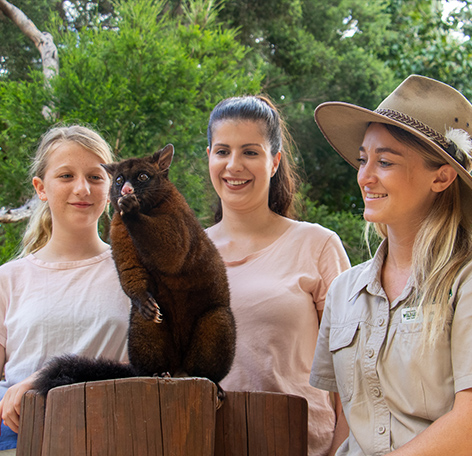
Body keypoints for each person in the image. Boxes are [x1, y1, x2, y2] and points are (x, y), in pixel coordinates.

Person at [310, 74, 472, 455]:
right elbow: (349, 419)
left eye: (385, 161)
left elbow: (468, 424)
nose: (364, 176)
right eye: (363, 159)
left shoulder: (464, 282)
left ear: (442, 176)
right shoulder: (343, 292)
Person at [206, 95, 351, 456]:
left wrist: (340, 451)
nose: (233, 165)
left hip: (303, 446)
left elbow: (355, 369)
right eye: (222, 151)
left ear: (274, 162)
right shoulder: (186, 254)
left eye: (250, 152)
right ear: (209, 155)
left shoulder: (317, 245)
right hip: (204, 443)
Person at [0, 125, 131, 451]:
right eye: (66, 176)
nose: (82, 188)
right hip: (20, 444)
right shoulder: (9, 279)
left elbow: (157, 369)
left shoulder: (138, 272)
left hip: (113, 439)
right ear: (41, 188)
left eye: (96, 176)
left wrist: (48, 382)